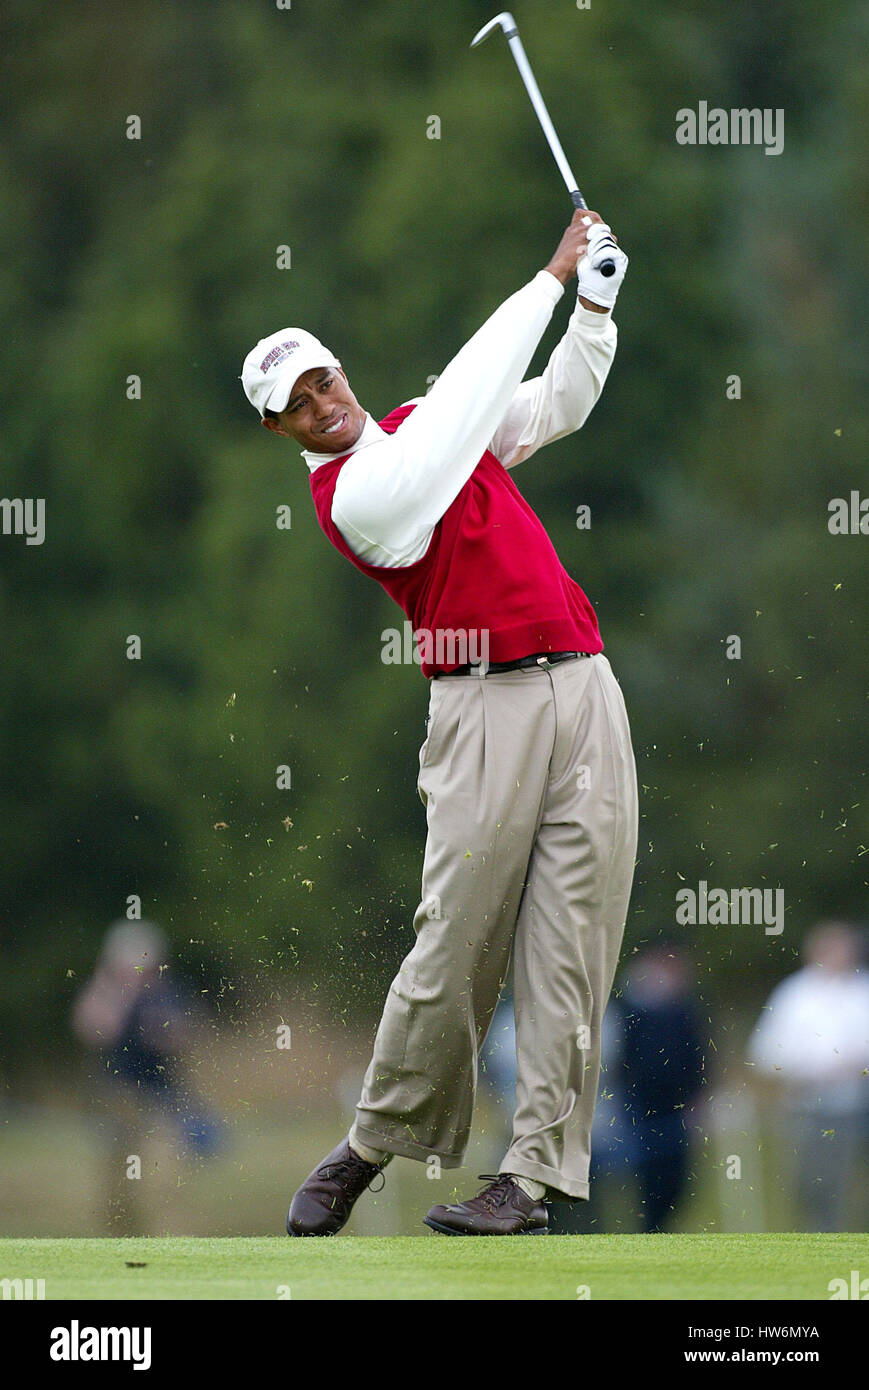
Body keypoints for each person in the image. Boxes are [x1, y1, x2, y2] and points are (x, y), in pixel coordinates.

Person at [241, 210, 638, 1236]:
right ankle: (374, 1140)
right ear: (277, 431)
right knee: (455, 942)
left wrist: (592, 302)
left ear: (338, 371)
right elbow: (465, 401)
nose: (322, 404)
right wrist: (546, 279)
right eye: (296, 404)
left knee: (570, 949)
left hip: (584, 687)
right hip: (480, 706)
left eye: (323, 379)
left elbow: (557, 402)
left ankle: (530, 1178)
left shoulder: (429, 421)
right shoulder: (357, 495)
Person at [746, 919, 869, 1231]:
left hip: (858, 1103)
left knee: (852, 1183)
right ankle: (822, 1237)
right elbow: (765, 1052)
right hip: (807, 1104)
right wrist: (806, 1068)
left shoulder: (862, 992)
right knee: (813, 1182)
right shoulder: (794, 994)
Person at [618, 944, 705, 1232]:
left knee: (674, 1179)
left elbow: (699, 1059)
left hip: (676, 1110)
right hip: (635, 1107)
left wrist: (699, 1100)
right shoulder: (627, 1008)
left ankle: (657, 1230)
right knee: (636, 1177)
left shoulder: (685, 1009)